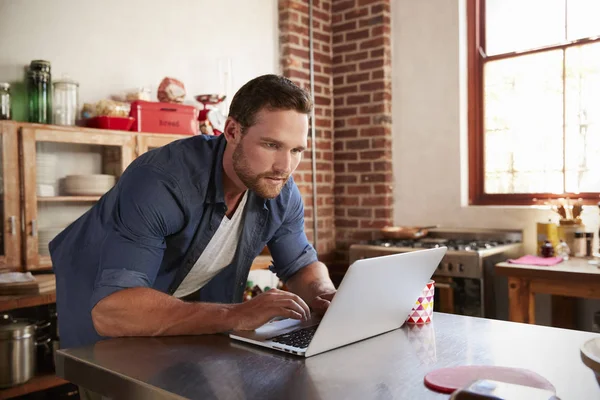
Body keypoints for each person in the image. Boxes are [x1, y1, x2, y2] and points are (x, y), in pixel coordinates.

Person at [49, 74, 336, 351]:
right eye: (272, 145)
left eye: (296, 150)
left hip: (171, 311)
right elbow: (113, 310)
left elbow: (299, 265)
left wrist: (327, 296)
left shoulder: (280, 190)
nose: (285, 166)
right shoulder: (161, 182)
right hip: (101, 306)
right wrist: (236, 314)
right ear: (233, 131)